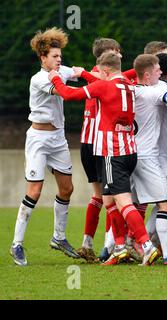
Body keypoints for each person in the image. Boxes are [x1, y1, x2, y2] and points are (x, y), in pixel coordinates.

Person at [49, 52, 159, 266]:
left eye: (99, 71)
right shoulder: (128, 85)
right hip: (129, 149)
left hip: (112, 153)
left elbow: (69, 95)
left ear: (105, 71)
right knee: (109, 201)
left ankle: (146, 246)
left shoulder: (104, 86)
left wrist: (54, 77)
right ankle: (119, 248)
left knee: (123, 201)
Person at [10, 27, 80, 266]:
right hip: (39, 140)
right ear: (43, 58)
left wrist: (104, 77)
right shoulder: (39, 78)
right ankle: (17, 244)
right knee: (35, 192)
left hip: (58, 139)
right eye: (54, 56)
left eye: (60, 56)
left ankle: (58, 238)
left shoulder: (60, 70)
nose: (59, 59)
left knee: (67, 188)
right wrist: (89, 91)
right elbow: (65, 90)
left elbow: (80, 72)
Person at [130, 53, 167, 264]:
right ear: (146, 74)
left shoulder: (132, 91)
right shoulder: (155, 91)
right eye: (156, 69)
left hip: (130, 153)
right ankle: (166, 253)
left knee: (126, 203)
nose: (160, 71)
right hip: (147, 157)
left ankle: (119, 246)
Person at [76, 37, 122, 263]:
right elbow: (98, 80)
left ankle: (88, 242)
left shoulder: (99, 76)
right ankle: (109, 246)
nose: (121, 55)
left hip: (88, 142)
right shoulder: (102, 76)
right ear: (109, 55)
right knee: (110, 195)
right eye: (117, 51)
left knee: (100, 195)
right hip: (101, 144)